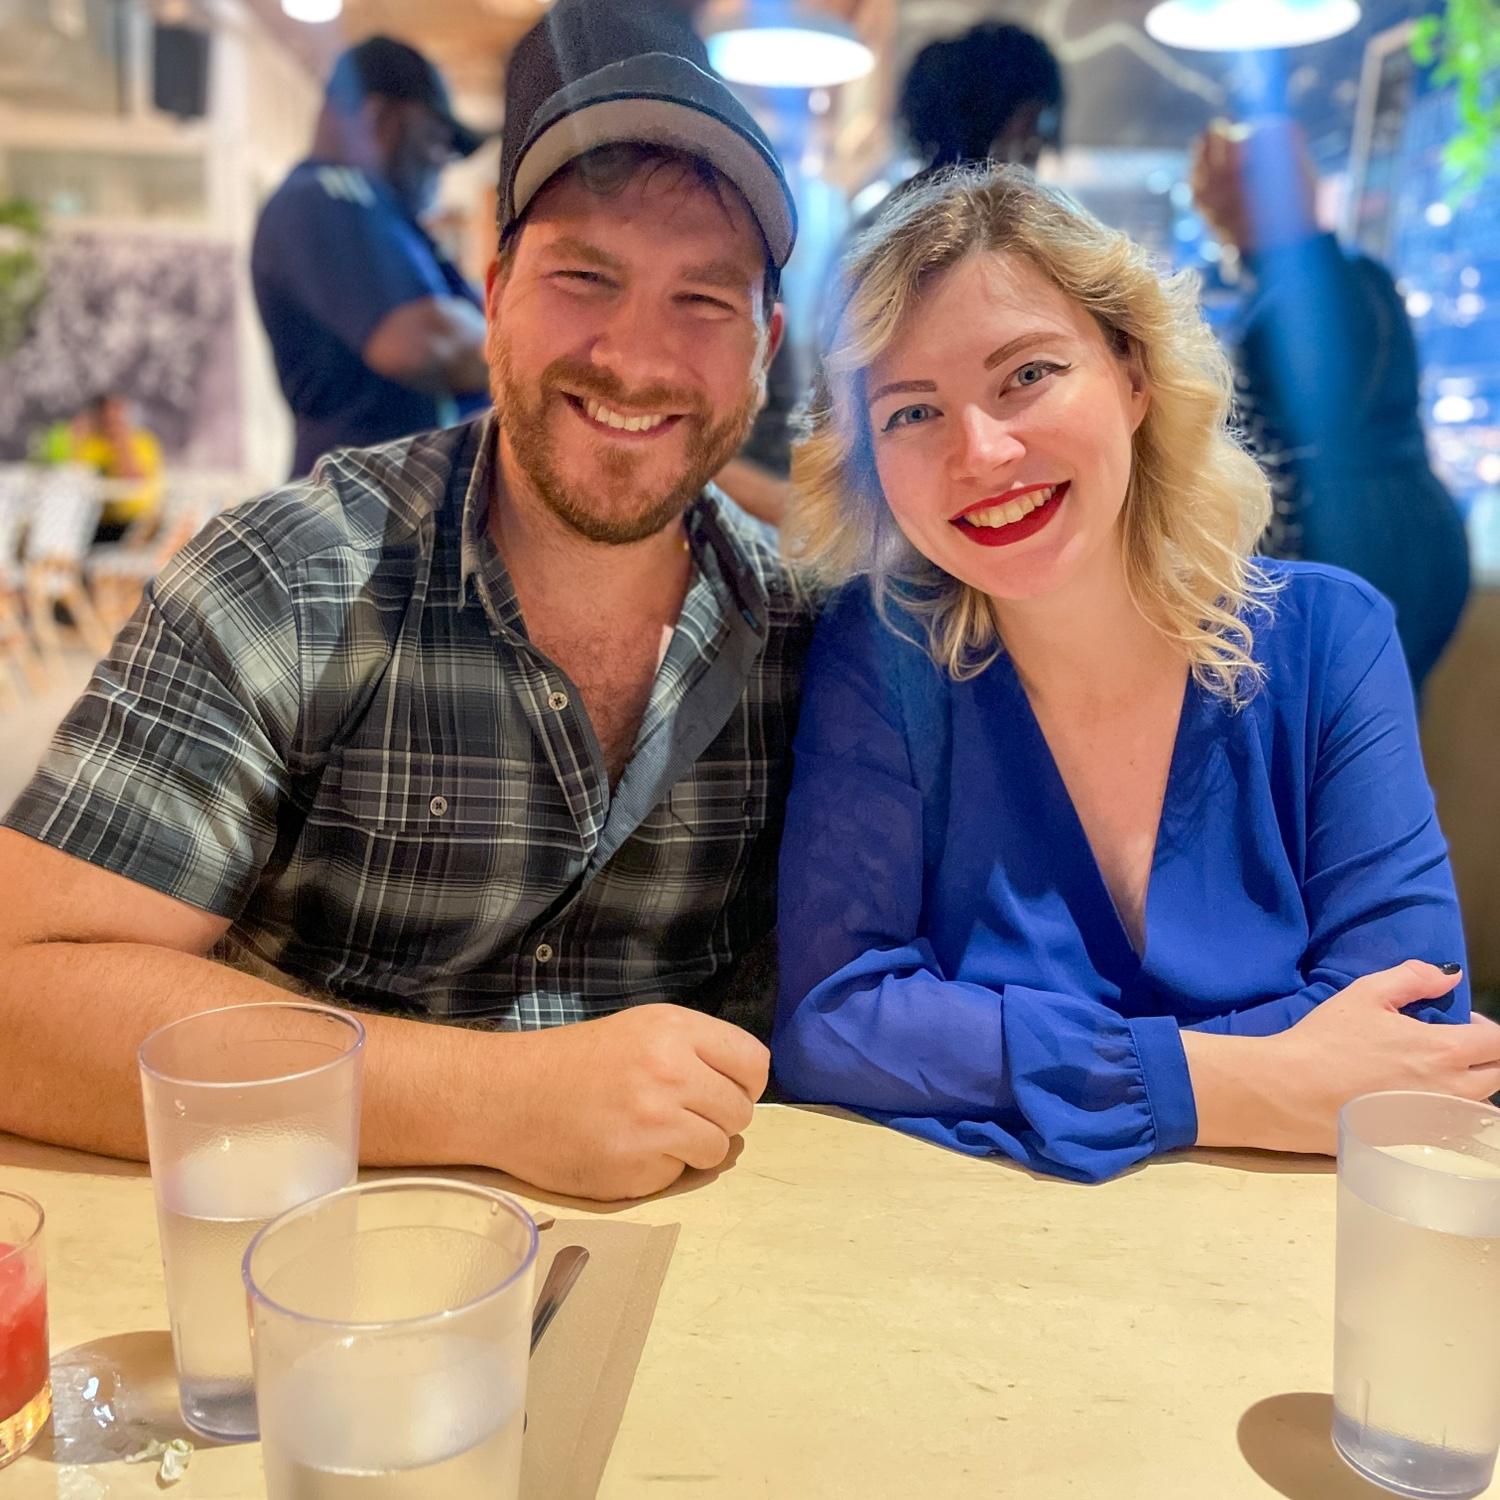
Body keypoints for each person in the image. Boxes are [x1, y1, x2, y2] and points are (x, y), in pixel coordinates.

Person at [0, 49, 812, 1203]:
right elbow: (20, 997)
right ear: (495, 298)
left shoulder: (806, 640)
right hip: (299, 1266)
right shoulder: (289, 579)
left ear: (763, 349)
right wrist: (505, 1099)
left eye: (703, 300)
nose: (634, 356)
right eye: (585, 277)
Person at [773, 164, 1495, 1185]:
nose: (981, 451)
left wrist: (1011, 1059)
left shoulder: (1330, 640)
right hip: (989, 1247)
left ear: (1134, 373)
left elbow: (1417, 1034)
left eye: (1027, 373)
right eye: (912, 413)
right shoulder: (883, 652)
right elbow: (835, 1020)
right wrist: (1231, 1081)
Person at [1190, 118, 1470, 694]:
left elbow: (1268, 462)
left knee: (1328, 733)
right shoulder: (1368, 276)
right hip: (1428, 531)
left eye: (1215, 201)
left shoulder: (1280, 305)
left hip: (1344, 540)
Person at [251, 37, 492, 478]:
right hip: (358, 506)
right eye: (435, 139)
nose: (442, 164)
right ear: (380, 119)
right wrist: (533, 355)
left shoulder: (388, 217)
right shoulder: (322, 198)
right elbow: (425, 343)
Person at [36, 395, 163, 542]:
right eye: (107, 419)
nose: (113, 423)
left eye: (117, 417)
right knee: (62, 517)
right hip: (96, 521)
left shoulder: (142, 442)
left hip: (132, 520)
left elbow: (136, 484)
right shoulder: (91, 444)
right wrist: (77, 440)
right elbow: (72, 478)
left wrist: (122, 444)